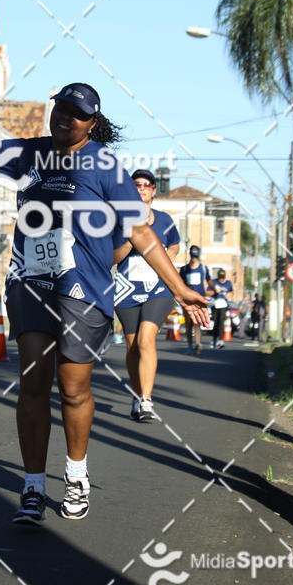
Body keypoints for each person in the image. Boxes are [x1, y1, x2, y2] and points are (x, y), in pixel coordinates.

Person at [0, 82, 209, 527]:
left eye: (77, 114)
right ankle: (32, 486)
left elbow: (141, 231)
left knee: (73, 389)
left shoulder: (104, 165)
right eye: (61, 110)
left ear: (92, 122)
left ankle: (75, 473)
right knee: (32, 383)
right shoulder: (28, 153)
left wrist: (180, 288)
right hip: (30, 281)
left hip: (83, 288)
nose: (65, 119)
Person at [113, 169, 180, 422]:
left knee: (146, 339)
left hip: (158, 287)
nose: (141, 189)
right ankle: (137, 392)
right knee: (132, 346)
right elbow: (113, 258)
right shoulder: (119, 221)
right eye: (136, 185)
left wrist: (168, 259)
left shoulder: (164, 219)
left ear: (153, 190)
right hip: (127, 288)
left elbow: (174, 243)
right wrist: (133, 240)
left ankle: (146, 399)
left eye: (146, 185)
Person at [179, 246, 212, 356]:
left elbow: (209, 281)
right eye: (192, 256)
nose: (194, 259)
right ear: (190, 255)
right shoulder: (184, 269)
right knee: (188, 324)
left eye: (196, 257)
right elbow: (180, 284)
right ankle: (190, 346)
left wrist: (214, 291)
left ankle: (198, 343)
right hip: (187, 300)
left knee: (197, 322)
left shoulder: (203, 269)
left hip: (199, 299)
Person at [209, 268, 234, 349]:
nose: (221, 280)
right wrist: (215, 291)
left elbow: (231, 292)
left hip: (223, 304)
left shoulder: (228, 283)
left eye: (223, 278)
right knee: (215, 323)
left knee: (221, 323)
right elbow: (207, 292)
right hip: (215, 304)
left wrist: (229, 294)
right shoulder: (213, 282)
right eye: (220, 278)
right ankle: (214, 339)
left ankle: (220, 340)